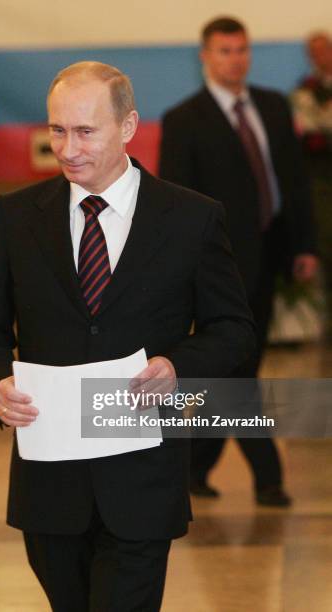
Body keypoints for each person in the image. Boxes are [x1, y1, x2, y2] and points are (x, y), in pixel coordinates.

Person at [0, 61, 255, 611]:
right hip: (49, 485)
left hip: (142, 481)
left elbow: (232, 329)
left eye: (85, 131)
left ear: (128, 126)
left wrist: (176, 366)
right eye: (56, 130)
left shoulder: (192, 219)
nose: (67, 148)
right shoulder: (17, 217)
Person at [160, 16, 318, 506]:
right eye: (225, 51)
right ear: (205, 56)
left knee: (234, 369)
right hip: (216, 269)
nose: (236, 59)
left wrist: (304, 246)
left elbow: (293, 182)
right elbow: (175, 203)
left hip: (270, 257)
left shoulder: (272, 106)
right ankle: (267, 475)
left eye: (242, 49)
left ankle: (193, 466)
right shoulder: (185, 119)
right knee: (237, 369)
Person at [292, 32, 332, 339]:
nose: (321, 55)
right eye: (314, 51)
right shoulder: (305, 90)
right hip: (321, 181)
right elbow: (310, 133)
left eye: (325, 49)